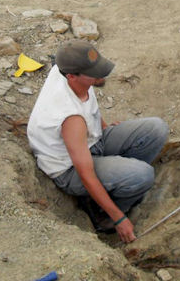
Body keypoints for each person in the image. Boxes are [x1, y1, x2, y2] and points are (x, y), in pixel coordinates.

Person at [27, 40, 169, 243]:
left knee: (156, 129)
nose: (101, 75)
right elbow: (85, 174)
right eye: (94, 73)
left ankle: (120, 183)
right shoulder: (71, 119)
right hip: (69, 169)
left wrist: (104, 127)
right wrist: (119, 218)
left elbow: (88, 105)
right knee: (143, 175)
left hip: (91, 142)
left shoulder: (68, 71)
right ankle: (102, 214)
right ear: (72, 76)